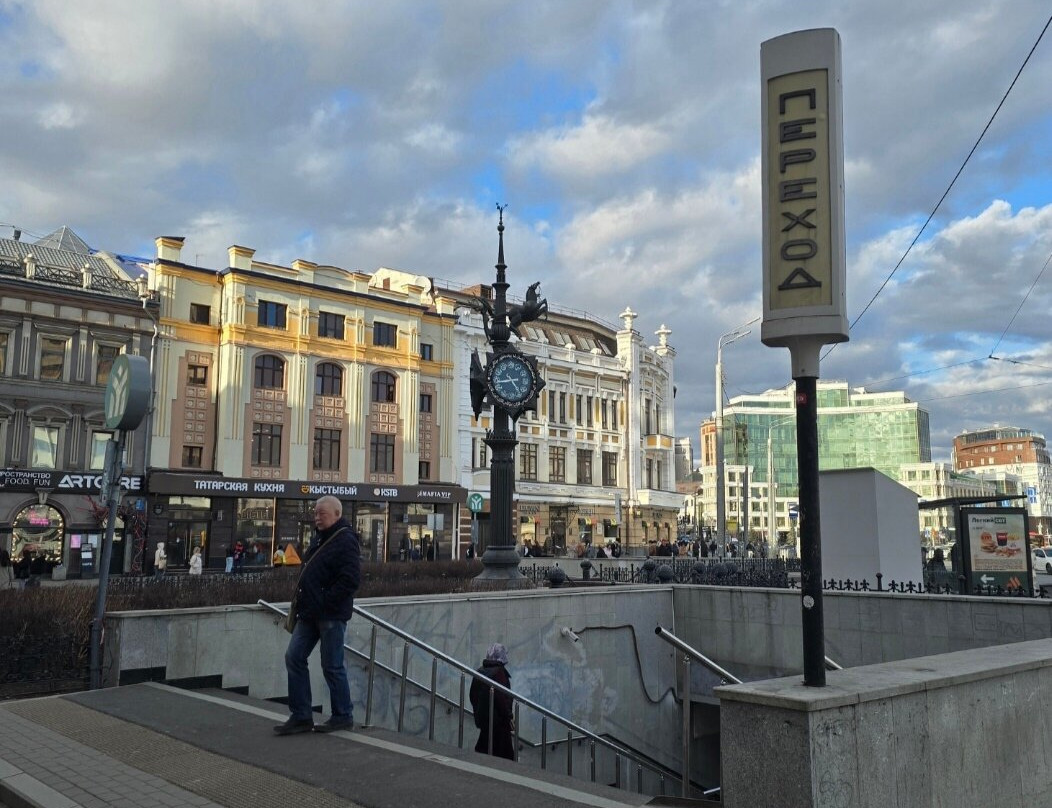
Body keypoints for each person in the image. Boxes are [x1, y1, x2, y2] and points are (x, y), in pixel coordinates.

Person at [276, 495, 361, 736]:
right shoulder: (320, 538)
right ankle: (301, 715)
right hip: (309, 613)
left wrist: (324, 600)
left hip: (330, 615)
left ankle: (343, 715)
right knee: (294, 657)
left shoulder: (345, 540)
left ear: (336, 514)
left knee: (332, 665)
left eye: (321, 514)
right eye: (315, 513)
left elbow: (350, 580)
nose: (316, 517)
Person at [469, 643, 515, 760]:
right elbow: (502, 699)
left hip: (484, 719)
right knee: (504, 753)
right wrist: (508, 716)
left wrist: (479, 711)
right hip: (499, 722)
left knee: (485, 746)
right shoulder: (499, 673)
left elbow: (472, 695)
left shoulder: (481, 671)